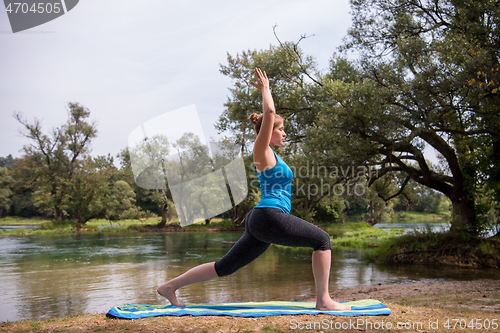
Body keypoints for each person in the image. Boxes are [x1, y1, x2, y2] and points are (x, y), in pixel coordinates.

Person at [157, 67, 350, 311]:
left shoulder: (274, 157)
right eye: (280, 129)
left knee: (226, 266)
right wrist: (265, 90)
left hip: (262, 220)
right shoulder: (262, 150)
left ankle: (170, 286)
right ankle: (323, 301)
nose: (284, 132)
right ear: (268, 132)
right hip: (269, 216)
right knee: (322, 240)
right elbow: (269, 112)